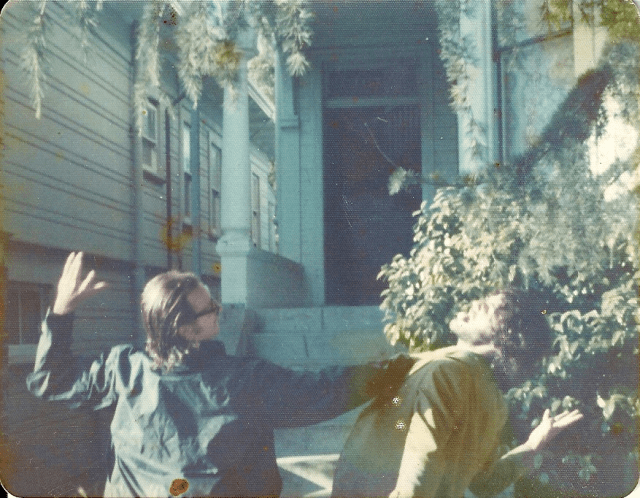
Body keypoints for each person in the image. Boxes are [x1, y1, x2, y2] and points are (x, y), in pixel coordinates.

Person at [27, 252, 414, 497]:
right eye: (209, 308)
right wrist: (395, 369)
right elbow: (322, 391)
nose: (219, 309)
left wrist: (60, 313)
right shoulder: (242, 380)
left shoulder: (123, 368)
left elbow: (50, 380)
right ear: (185, 328)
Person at [331, 289, 584, 498]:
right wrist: (532, 445)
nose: (475, 304)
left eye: (490, 308)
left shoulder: (447, 372)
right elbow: (484, 482)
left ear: (505, 338)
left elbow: (420, 469)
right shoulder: (493, 400)